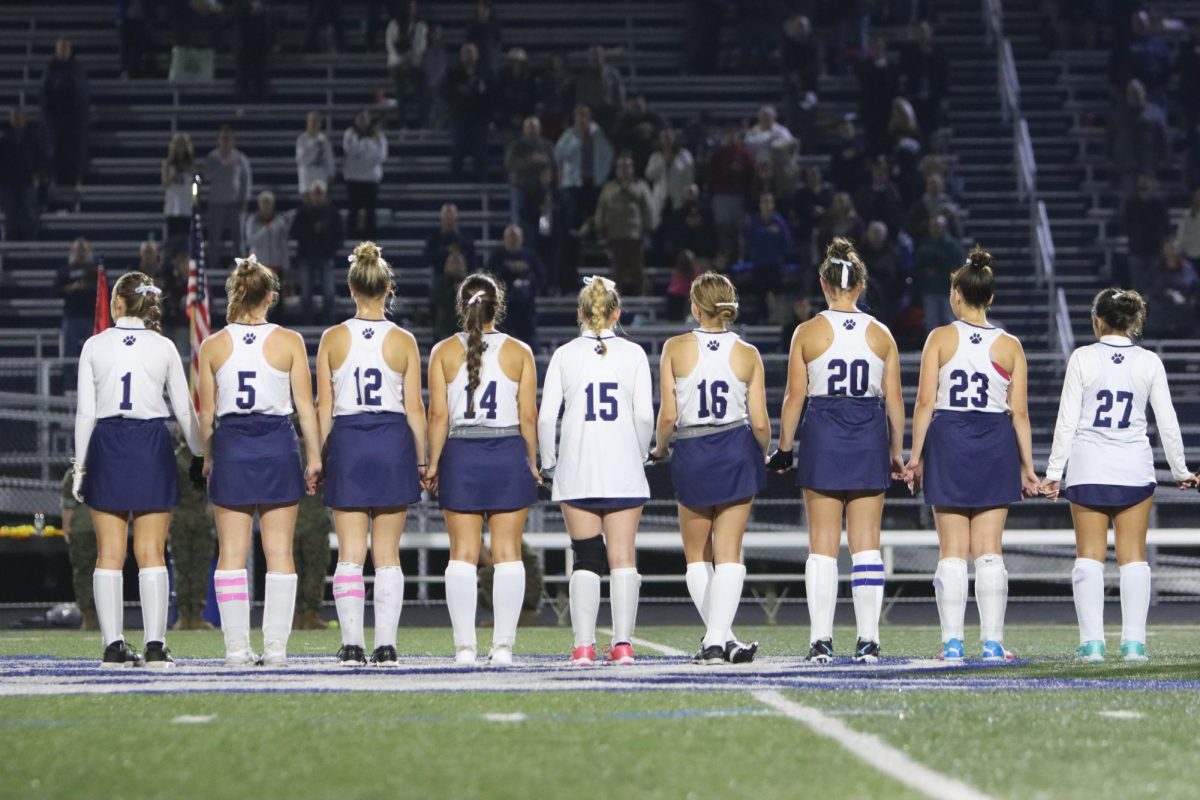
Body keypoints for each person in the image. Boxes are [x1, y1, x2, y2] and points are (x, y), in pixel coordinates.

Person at [1040, 289, 1195, 662]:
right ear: (1133, 322)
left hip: (1089, 468)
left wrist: (1053, 473)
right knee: (1134, 558)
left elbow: (1067, 423)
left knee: (1089, 558)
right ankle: (1134, 645)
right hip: (1133, 469)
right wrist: (1181, 470)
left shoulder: (1083, 358)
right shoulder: (1149, 362)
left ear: (1098, 321)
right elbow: (1167, 423)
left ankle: (1092, 644)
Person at [771, 238, 906, 663]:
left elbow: (795, 397)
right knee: (867, 545)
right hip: (868, 433)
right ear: (860, 284)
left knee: (822, 546)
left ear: (823, 284)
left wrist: (784, 448)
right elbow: (896, 401)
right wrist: (898, 451)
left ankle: (820, 641)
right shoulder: (881, 334)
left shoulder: (807, 331)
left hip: (824, 434)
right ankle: (868, 640)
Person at [904, 245, 1039, 661]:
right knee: (989, 551)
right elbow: (1019, 412)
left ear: (956, 295)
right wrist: (1029, 468)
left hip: (949, 437)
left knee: (951, 551)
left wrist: (914, 456)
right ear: (991, 297)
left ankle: (952, 643)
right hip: (994, 439)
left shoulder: (941, 337)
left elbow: (925, 402)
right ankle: (993, 643)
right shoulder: (1010, 344)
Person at [72, 270, 202, 668]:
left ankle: (113, 645)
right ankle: (155, 645)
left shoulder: (94, 345)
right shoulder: (162, 346)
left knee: (109, 554)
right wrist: (200, 453)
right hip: (150, 444)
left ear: (117, 303)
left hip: (109, 444)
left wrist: (80, 467)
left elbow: (85, 413)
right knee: (152, 553)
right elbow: (183, 409)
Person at [198, 255, 322, 667]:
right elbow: (305, 406)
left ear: (237, 293)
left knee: (231, 553)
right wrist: (315, 456)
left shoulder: (212, 344)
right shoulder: (289, 341)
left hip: (232, 443)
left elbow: (206, 414)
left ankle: (236, 649)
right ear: (270, 296)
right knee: (279, 552)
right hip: (275, 443)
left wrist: (209, 455)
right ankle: (276, 650)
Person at [316, 243, 426, 666]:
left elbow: (324, 407)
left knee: (348, 553)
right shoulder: (403, 340)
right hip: (391, 440)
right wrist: (423, 461)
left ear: (351, 287)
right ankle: (386, 645)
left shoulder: (332, 338)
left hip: (348, 439)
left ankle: (351, 645)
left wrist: (316, 456)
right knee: (387, 555)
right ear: (389, 289)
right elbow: (415, 408)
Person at [650, 272, 768, 663]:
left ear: (696, 307)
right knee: (730, 553)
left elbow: (668, 415)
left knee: (697, 556)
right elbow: (762, 423)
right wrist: (764, 452)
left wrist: (660, 447)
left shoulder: (675, 347)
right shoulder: (748, 353)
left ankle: (716, 641)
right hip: (735, 447)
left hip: (693, 449)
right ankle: (723, 639)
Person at [424, 274, 539, 666]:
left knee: (463, 554)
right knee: (508, 554)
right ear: (498, 306)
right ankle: (503, 647)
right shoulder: (519, 351)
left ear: (461, 307)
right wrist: (534, 461)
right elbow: (528, 416)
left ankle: (465, 648)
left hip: (462, 454)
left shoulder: (442, 351)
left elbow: (438, 416)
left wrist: (434, 462)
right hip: (507, 452)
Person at [538, 276, 651, 666]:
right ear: (616, 313)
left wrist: (549, 462)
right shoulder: (634, 354)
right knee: (622, 557)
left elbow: (546, 416)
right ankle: (622, 646)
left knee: (585, 556)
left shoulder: (565, 354)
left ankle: (583, 646)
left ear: (580, 314)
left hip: (578, 466)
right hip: (622, 467)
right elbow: (644, 416)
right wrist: (639, 455)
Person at [170, 440, 216, 631]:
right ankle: (191, 615)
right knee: (195, 567)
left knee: (187, 567)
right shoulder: (206, 457)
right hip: (197, 518)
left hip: (183, 518)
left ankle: (188, 616)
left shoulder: (175, 458)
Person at [591, 156, 653, 296]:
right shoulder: (609, 187)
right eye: (621, 167)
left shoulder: (640, 186)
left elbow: (648, 209)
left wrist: (648, 228)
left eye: (627, 167)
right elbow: (602, 208)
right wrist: (599, 226)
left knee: (637, 266)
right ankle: (615, 295)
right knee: (616, 267)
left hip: (634, 234)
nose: (624, 170)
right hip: (614, 233)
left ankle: (642, 293)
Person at [40, 38, 90, 205]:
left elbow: (81, 93)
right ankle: (54, 180)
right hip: (55, 118)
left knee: (74, 150)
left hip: (73, 118)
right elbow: (45, 93)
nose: (62, 51)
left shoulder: (77, 68)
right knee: (54, 150)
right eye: (60, 48)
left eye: (65, 48)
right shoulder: (50, 68)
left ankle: (76, 180)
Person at [290, 180, 344, 325]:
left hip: (325, 257)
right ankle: (306, 323)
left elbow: (339, 235)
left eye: (320, 193)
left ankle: (329, 324)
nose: (318, 196)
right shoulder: (302, 211)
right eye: (315, 193)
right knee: (306, 294)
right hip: (306, 257)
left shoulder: (332, 212)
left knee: (329, 294)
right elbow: (294, 232)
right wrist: (311, 232)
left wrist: (330, 248)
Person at [442, 43, 493, 182]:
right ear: (461, 55)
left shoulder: (484, 73)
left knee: (480, 153)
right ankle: (454, 183)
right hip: (460, 118)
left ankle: (482, 183)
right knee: (457, 152)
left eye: (471, 52)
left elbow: (492, 96)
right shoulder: (453, 73)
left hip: (479, 119)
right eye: (466, 52)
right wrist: (461, 92)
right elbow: (445, 93)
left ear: (477, 55)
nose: (469, 56)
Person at [204, 124, 254, 267]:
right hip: (216, 203)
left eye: (228, 138)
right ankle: (213, 266)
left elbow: (246, 180)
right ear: (218, 140)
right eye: (223, 138)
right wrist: (219, 166)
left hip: (235, 203)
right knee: (214, 239)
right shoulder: (212, 157)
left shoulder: (240, 158)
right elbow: (206, 176)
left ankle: (242, 270)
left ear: (233, 140)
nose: (225, 141)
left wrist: (245, 200)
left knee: (238, 240)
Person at [487, 224, 543, 348]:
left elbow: (541, 278)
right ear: (504, 239)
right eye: (510, 237)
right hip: (503, 309)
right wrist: (506, 269)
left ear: (521, 239)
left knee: (529, 344)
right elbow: (488, 279)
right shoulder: (496, 257)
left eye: (516, 237)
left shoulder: (530, 257)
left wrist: (527, 274)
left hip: (526, 309)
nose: (513, 240)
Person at [0, 107, 48, 241]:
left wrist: (38, 175)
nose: (17, 120)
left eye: (19, 116)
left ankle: (31, 239)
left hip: (27, 180)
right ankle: (11, 238)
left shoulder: (33, 138)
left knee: (29, 211)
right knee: (10, 213)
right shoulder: (4, 139)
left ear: (24, 118)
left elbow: (40, 158)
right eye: (14, 117)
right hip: (8, 182)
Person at [505, 116, 554, 241]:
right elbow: (509, 164)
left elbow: (555, 165)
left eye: (534, 127)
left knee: (544, 226)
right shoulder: (517, 146)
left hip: (543, 192)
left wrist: (549, 173)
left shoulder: (547, 146)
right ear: (524, 129)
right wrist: (530, 161)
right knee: (519, 223)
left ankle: (544, 247)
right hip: (522, 189)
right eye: (529, 127)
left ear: (540, 129)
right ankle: (519, 243)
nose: (532, 130)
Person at [914, 214, 964, 331]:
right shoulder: (924, 243)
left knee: (949, 320)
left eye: (938, 226)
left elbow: (957, 266)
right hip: (930, 289)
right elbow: (918, 263)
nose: (935, 229)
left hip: (948, 290)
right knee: (931, 322)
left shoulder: (952, 245)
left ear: (944, 227)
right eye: (933, 226)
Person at [343, 109, 387, 240]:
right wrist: (367, 144)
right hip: (353, 178)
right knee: (353, 210)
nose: (362, 121)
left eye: (365, 118)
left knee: (371, 211)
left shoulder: (378, 135)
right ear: (355, 119)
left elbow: (381, 156)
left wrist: (364, 149)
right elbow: (350, 151)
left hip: (371, 178)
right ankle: (351, 236)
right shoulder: (349, 134)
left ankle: (370, 238)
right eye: (360, 118)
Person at [385, 1, 429, 127]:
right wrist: (402, 58)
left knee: (421, 94)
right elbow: (390, 44)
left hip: (414, 64)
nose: (411, 10)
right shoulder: (393, 24)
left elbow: (421, 46)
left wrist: (410, 57)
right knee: (400, 94)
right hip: (396, 64)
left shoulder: (421, 26)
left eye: (413, 7)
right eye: (408, 7)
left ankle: (422, 123)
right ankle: (402, 124)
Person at [57, 238, 96, 359]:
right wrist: (72, 287)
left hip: (90, 316)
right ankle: (68, 378)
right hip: (71, 316)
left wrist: (88, 287)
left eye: (83, 249)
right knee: (69, 353)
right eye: (78, 249)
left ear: (88, 251)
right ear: (72, 251)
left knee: (92, 354)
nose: (81, 253)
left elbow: (105, 289)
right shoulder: (65, 270)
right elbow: (56, 290)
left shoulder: (95, 270)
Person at [162, 133, 195, 257]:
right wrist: (171, 176)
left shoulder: (191, 164)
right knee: (172, 242)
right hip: (173, 208)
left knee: (186, 242)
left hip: (187, 207)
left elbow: (195, 183)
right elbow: (165, 183)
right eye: (178, 145)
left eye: (183, 145)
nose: (180, 148)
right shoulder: (168, 164)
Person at [234, 0, 273, 103]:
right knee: (242, 78)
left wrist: (260, 8)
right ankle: (242, 104)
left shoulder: (264, 8)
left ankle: (262, 104)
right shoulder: (240, 5)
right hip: (244, 45)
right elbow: (235, 14)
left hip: (260, 45)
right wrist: (250, 8)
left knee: (261, 78)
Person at [243, 190, 291, 274]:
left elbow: (283, 244)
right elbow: (250, 241)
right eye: (264, 203)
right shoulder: (252, 221)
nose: (266, 206)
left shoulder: (279, 222)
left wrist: (285, 265)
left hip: (276, 265)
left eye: (269, 203)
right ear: (259, 204)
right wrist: (266, 229)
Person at [423, 202, 476, 276]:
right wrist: (446, 251)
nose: (449, 217)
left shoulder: (466, 235)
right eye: (446, 214)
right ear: (441, 216)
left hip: (462, 275)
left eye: (452, 214)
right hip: (440, 275)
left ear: (456, 216)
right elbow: (427, 257)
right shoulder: (434, 236)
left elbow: (472, 255)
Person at [295, 111, 336, 197]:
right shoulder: (302, 139)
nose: (314, 124)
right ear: (307, 123)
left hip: (321, 176)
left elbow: (329, 158)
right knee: (307, 205)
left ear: (320, 124)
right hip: (307, 177)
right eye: (311, 121)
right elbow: (301, 159)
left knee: (321, 206)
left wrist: (331, 174)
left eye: (316, 122)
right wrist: (315, 146)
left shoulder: (324, 140)